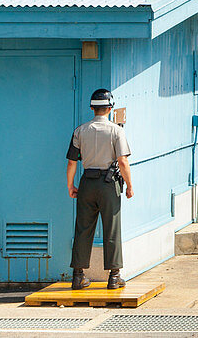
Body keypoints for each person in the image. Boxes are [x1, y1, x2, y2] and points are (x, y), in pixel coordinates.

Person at [66, 88, 134, 290]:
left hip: (87, 182)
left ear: (91, 108)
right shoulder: (116, 131)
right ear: (110, 108)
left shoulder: (80, 131)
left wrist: (71, 185)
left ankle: (78, 276)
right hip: (108, 184)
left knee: (83, 229)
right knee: (111, 229)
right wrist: (130, 185)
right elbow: (122, 161)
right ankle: (114, 277)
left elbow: (72, 162)